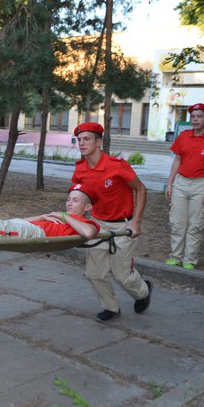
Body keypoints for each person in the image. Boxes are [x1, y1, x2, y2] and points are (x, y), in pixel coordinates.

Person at [71, 122, 152, 323]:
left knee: (121, 274)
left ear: (99, 142)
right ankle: (111, 307)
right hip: (98, 225)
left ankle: (143, 291)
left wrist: (136, 221)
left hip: (123, 227)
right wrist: (76, 222)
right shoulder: (80, 170)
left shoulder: (117, 166)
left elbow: (141, 189)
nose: (81, 143)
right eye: (79, 140)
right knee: (94, 273)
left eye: (87, 139)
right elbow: (78, 199)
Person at [165, 103, 204, 270]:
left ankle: (189, 260)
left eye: (200, 116)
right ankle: (175, 256)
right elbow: (177, 160)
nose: (195, 119)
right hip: (181, 182)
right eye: (193, 116)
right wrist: (170, 183)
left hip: (203, 183)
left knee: (195, 225)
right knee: (177, 223)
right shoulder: (184, 136)